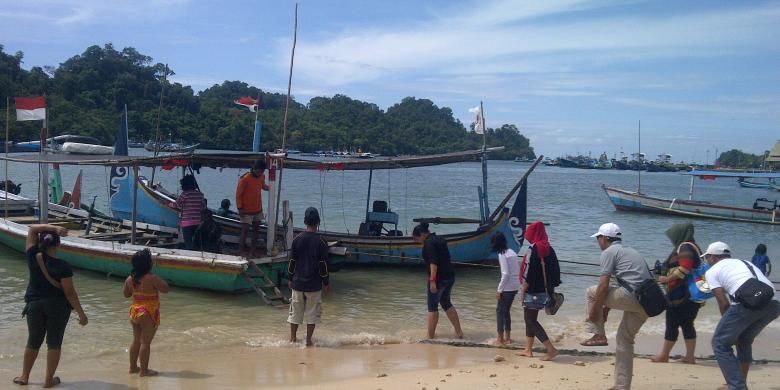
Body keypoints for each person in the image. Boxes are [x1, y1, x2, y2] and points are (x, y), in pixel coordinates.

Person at [14, 225, 88, 388]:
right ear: (58, 245)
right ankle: (48, 380)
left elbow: (32, 229)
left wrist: (54, 228)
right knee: (54, 342)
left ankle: (24, 376)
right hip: (57, 307)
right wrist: (82, 314)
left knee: (33, 341)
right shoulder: (63, 266)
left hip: (34, 304)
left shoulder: (33, 256)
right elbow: (70, 293)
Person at [581, 222, 652, 390]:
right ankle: (621, 386)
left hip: (633, 297)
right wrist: (605, 309)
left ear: (605, 238)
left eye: (598, 238)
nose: (597, 242)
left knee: (591, 292)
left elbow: (604, 287)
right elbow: (623, 284)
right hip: (648, 302)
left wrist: (595, 311)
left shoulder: (609, 252)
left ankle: (598, 335)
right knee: (624, 341)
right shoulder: (631, 251)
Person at [704, 241, 780, 390]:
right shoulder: (743, 262)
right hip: (774, 304)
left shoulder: (711, 271)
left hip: (749, 304)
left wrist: (727, 326)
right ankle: (740, 383)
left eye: (707, 257)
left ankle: (737, 386)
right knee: (744, 340)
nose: (707, 261)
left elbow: (723, 302)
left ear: (712, 257)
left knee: (720, 343)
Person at [651, 222, 702, 364]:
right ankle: (690, 357)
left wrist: (667, 278)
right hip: (693, 295)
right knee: (687, 324)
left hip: (681, 295)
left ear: (679, 234)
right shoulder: (694, 247)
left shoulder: (684, 247)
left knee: (672, 323)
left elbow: (685, 268)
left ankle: (664, 355)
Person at [517, 221, 561, 361]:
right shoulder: (549, 248)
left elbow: (528, 271)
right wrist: (551, 289)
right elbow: (556, 271)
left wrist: (523, 289)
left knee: (530, 320)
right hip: (545, 290)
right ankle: (528, 349)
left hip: (533, 290)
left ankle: (551, 349)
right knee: (530, 319)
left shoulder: (533, 248)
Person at [287, 207, 330, 347]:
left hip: (297, 283)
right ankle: (308, 340)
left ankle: (292, 339)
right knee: (312, 314)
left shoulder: (296, 239)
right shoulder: (321, 242)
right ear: (318, 222)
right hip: (314, 284)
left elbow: (292, 262)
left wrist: (289, 278)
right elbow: (323, 265)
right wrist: (326, 283)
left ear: (305, 221)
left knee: (295, 313)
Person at [413, 222, 464, 339]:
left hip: (438, 278)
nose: (418, 242)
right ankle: (459, 332)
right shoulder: (440, 240)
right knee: (446, 303)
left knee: (432, 307)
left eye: (417, 239)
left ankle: (430, 337)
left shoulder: (428, 243)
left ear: (421, 234)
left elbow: (433, 263)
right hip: (450, 276)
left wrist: (432, 281)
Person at [123, 248, 169, 376]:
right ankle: (144, 370)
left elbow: (126, 294)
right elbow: (165, 289)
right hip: (148, 312)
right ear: (148, 264)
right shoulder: (152, 278)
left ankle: (133, 367)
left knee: (136, 341)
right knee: (145, 342)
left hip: (135, 311)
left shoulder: (129, 279)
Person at [491, 232, 520, 346]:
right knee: (506, 311)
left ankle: (500, 338)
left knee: (500, 311)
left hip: (507, 287)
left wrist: (499, 289)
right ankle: (508, 337)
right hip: (515, 285)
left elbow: (505, 274)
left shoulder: (502, 254)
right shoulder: (512, 252)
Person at [236, 159, 269, 258]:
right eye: (259, 171)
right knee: (245, 230)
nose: (260, 173)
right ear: (254, 169)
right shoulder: (245, 178)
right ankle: (241, 252)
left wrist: (271, 187)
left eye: (262, 171)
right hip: (246, 210)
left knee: (256, 231)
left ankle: (252, 251)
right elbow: (238, 195)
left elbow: (263, 186)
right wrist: (240, 208)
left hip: (257, 208)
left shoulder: (262, 177)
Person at [172, 174, 205, 250]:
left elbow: (176, 204)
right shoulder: (200, 195)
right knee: (196, 242)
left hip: (186, 223)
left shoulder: (184, 194)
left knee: (188, 242)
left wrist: (168, 203)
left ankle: (190, 255)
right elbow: (203, 208)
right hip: (197, 223)